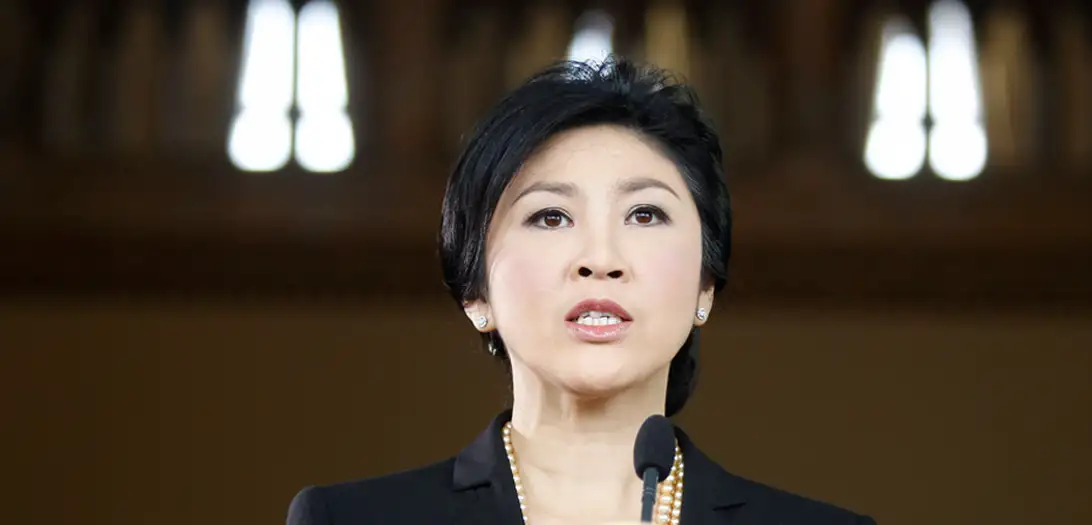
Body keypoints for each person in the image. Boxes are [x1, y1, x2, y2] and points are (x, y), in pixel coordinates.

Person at [286, 58, 876, 525]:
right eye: (550, 217)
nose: (600, 259)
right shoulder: (352, 518)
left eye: (645, 214)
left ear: (706, 285)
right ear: (476, 293)